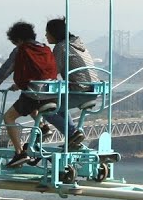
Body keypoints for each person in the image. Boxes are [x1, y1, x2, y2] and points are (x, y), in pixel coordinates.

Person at [0, 21, 58, 168]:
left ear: (18, 40)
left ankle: (19, 153)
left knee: (9, 117)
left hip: (35, 94)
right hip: (51, 92)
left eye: (14, 42)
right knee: (29, 102)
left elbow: (7, 68)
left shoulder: (21, 49)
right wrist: (19, 85)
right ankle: (44, 127)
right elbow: (40, 72)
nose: (15, 45)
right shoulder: (44, 48)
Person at [43, 17, 101, 150]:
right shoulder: (78, 44)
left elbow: (52, 72)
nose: (45, 35)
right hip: (93, 90)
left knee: (46, 107)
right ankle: (72, 138)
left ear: (54, 33)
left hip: (80, 91)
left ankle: (72, 134)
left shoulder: (61, 47)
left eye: (47, 32)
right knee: (58, 104)